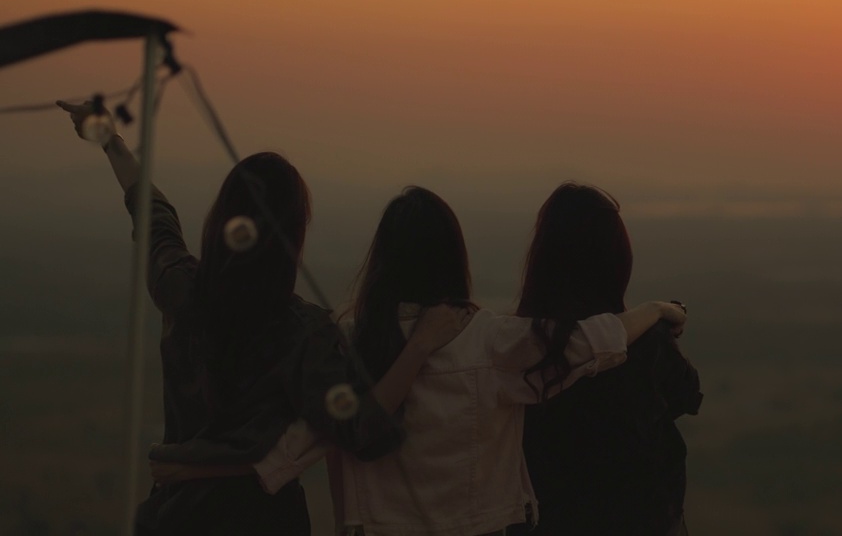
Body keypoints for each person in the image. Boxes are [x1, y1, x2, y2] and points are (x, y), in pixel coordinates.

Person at [150, 186, 688, 536]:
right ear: (455, 259)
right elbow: (593, 341)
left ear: (382, 261)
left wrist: (192, 466)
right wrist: (656, 308)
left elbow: (288, 449)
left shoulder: (347, 343)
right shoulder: (492, 341)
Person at [56, 101, 463, 536]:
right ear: (293, 234)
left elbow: (152, 213)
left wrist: (108, 138)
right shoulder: (303, 332)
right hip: (265, 519)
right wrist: (419, 347)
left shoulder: (180, 289)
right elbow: (363, 432)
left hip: (177, 516)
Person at [518, 183, 702, 536]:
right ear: (617, 258)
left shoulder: (517, 344)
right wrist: (657, 315)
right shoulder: (646, 345)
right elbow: (688, 395)